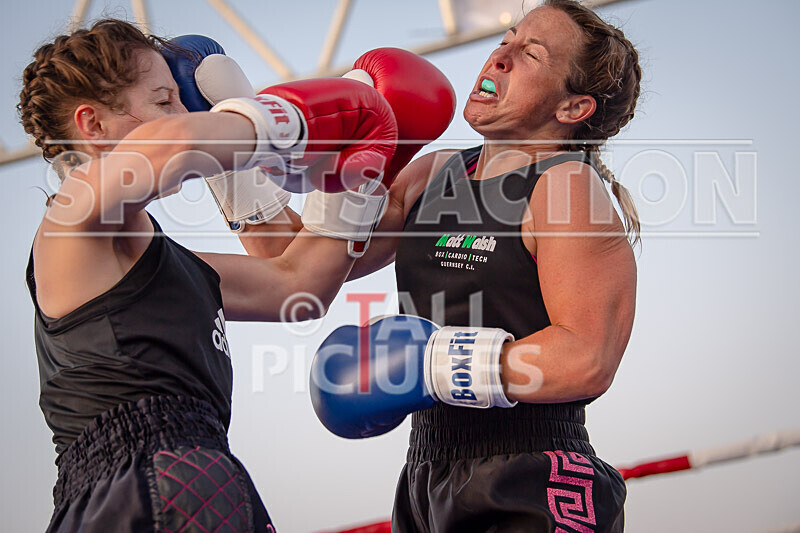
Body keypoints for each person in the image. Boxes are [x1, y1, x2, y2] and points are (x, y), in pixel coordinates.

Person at [247, 1, 641, 531]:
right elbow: (291, 261)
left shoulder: (566, 188)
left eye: (531, 53)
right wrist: (230, 159)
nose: (501, 55)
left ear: (572, 108)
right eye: (508, 37)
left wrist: (434, 364)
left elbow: (588, 357)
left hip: (532, 470)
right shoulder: (433, 173)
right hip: (426, 473)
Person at [18, 18, 400, 532]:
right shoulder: (73, 213)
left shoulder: (167, 262)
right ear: (92, 124)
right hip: (138, 481)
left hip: (197, 467)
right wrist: (283, 114)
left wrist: (356, 181)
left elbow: (298, 285)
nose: (189, 110)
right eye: (164, 100)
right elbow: (171, 148)